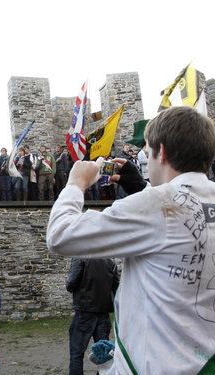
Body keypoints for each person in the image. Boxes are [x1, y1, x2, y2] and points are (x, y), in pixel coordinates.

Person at [46, 106, 215, 374]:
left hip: (159, 364)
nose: (146, 162)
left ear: (163, 152)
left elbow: (61, 235)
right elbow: (178, 219)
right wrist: (141, 188)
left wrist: (75, 185)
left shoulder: (156, 204)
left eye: (147, 153)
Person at [66, 258, 119, 375]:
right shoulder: (109, 261)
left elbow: (71, 283)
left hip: (84, 311)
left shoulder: (80, 257)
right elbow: (115, 285)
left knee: (77, 353)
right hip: (103, 312)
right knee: (104, 353)